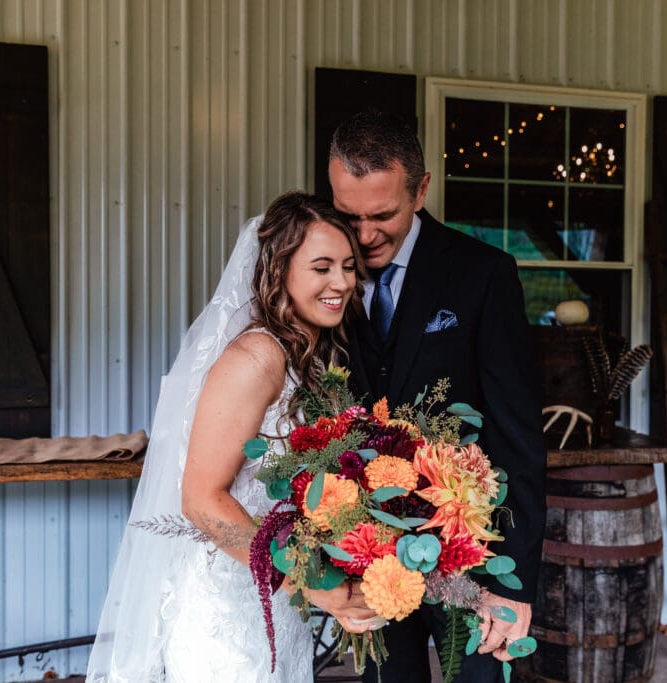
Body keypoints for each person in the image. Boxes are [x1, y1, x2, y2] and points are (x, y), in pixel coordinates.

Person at [87, 191, 380, 683]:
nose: (342, 282)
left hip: (269, 602)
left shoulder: (303, 359)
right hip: (226, 613)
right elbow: (200, 500)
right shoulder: (257, 358)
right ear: (279, 270)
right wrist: (305, 580)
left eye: (349, 267)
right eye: (322, 267)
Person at [329, 110, 547, 683]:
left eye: (383, 214)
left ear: (421, 189)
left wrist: (513, 582)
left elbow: (518, 433)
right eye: (349, 215)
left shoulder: (483, 275)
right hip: (366, 554)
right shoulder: (320, 279)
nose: (365, 234)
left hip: (472, 553)